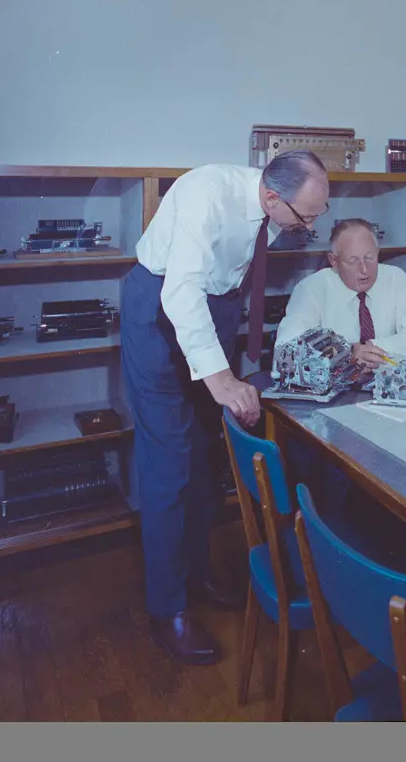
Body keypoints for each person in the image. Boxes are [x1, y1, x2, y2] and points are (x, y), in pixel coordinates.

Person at [121, 150, 330, 665]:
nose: (309, 227)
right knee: (168, 463)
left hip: (214, 309)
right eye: (305, 217)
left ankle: (196, 572)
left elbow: (221, 284)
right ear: (272, 196)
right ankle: (167, 607)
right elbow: (180, 292)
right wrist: (220, 379)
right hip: (161, 308)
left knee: (204, 456)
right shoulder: (205, 195)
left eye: (317, 214)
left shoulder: (275, 205)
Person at [274, 217, 406, 368]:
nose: (364, 269)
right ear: (334, 261)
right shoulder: (310, 290)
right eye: (352, 261)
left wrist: (370, 347)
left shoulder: (395, 279)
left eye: (370, 258)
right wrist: (346, 353)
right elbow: (286, 354)